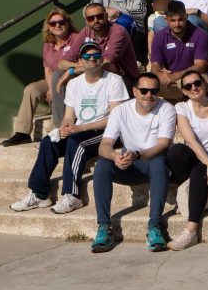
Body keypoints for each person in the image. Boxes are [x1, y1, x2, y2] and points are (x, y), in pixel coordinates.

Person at [10, 41, 126, 214]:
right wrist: (64, 127)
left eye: (96, 55)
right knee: (49, 141)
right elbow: (69, 115)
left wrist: (81, 129)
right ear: (80, 61)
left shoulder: (114, 80)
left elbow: (116, 119)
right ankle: (39, 193)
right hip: (80, 129)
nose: (91, 59)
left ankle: (72, 195)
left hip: (107, 132)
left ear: (101, 59)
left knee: (76, 144)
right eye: (87, 56)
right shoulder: (74, 84)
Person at [89, 72, 176, 253]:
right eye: (144, 90)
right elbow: (104, 145)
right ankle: (104, 227)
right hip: (129, 164)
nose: (149, 95)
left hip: (152, 164)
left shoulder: (166, 108)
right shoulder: (120, 111)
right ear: (134, 91)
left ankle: (154, 226)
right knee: (102, 165)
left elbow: (163, 144)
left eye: (154, 91)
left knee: (159, 163)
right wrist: (115, 157)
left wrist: (138, 154)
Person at [165, 69, 208, 250]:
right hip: (200, 158)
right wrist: (207, 162)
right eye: (188, 86)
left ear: (204, 84)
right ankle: (198, 193)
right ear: (184, 91)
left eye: (197, 83)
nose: (194, 87)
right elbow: (190, 140)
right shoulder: (182, 108)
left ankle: (191, 230)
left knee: (199, 171)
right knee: (176, 151)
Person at [2, 8, 77, 146]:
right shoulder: (48, 44)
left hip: (72, 80)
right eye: (53, 23)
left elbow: (79, 66)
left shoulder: (76, 39)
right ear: (48, 26)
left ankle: (62, 131)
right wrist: (51, 87)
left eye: (61, 22)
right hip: (53, 79)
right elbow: (47, 69)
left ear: (68, 23)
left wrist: (55, 88)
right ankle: (22, 132)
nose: (57, 25)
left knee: (57, 79)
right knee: (31, 89)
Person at [56, 2, 139, 124]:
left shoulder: (118, 31)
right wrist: (77, 67)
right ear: (86, 21)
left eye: (99, 16)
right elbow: (62, 63)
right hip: (96, 74)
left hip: (123, 78)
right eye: (91, 18)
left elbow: (104, 63)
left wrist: (73, 70)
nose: (96, 20)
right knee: (57, 75)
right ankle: (62, 125)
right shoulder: (86, 32)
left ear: (106, 16)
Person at [148, 1, 208, 101]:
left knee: (194, 82)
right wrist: (162, 75)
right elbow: (155, 66)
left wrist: (176, 76)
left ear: (186, 16)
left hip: (196, 77)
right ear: (166, 20)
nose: (177, 24)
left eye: (181, 20)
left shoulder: (200, 34)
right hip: (171, 80)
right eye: (173, 20)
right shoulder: (159, 37)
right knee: (148, 84)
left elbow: (200, 66)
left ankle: (185, 97)